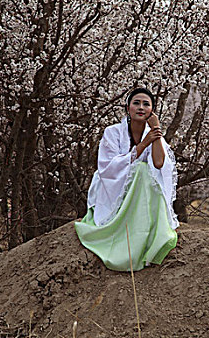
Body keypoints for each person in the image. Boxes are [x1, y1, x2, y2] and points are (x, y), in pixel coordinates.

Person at [75, 87, 178, 271]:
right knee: (140, 169)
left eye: (146, 104)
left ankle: (146, 237)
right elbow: (108, 167)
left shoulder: (153, 132)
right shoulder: (112, 132)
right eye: (136, 103)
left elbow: (159, 163)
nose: (141, 107)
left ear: (152, 111)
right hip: (112, 184)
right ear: (128, 107)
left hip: (142, 188)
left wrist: (155, 131)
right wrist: (143, 144)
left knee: (146, 171)